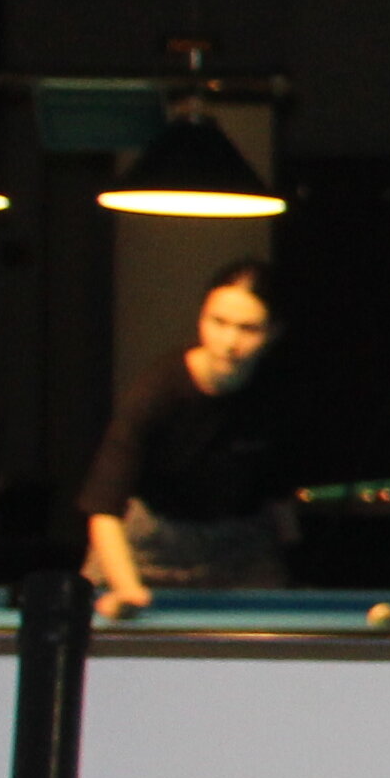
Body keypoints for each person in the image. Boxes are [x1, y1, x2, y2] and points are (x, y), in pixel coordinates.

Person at [80, 259, 290, 616]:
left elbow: (280, 501)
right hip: (146, 551)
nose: (229, 342)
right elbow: (104, 509)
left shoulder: (278, 393)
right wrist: (127, 590)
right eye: (218, 322)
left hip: (238, 556)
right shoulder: (156, 393)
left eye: (248, 328)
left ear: (274, 332)